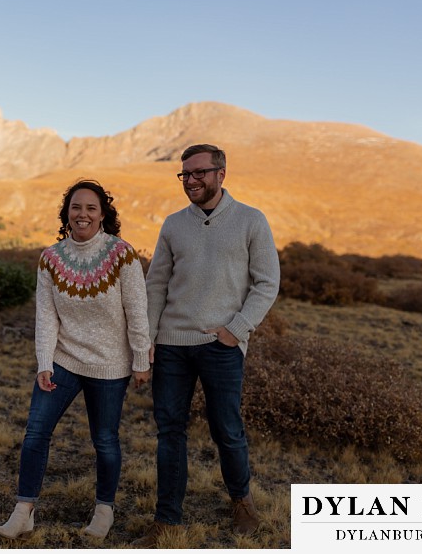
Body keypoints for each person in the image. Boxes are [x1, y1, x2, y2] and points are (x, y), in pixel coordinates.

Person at [133, 144, 280, 545]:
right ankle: (167, 519)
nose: (192, 181)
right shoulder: (174, 224)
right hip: (171, 347)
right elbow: (156, 285)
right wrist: (147, 340)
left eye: (199, 173)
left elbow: (267, 282)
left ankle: (242, 502)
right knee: (170, 432)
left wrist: (238, 329)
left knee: (227, 430)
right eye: (185, 175)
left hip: (221, 346)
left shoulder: (251, 220)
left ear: (221, 173)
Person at [0, 179, 151, 542]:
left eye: (91, 208)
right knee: (36, 432)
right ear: (67, 213)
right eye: (76, 207)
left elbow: (137, 310)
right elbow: (46, 316)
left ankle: (104, 509)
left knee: (105, 440)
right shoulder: (51, 259)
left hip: (110, 364)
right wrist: (44, 362)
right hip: (64, 360)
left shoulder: (122, 255)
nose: (82, 214)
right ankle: (23, 512)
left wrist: (141, 358)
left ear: (102, 214)